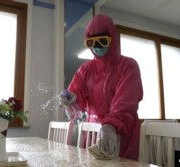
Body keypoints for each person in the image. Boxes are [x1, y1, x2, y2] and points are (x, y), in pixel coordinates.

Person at [60, 14, 143, 161]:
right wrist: (70, 102)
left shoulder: (128, 66)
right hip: (93, 133)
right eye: (90, 42)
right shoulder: (85, 70)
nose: (96, 47)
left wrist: (111, 125)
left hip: (122, 133)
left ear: (113, 39)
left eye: (102, 41)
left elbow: (125, 103)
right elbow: (77, 104)